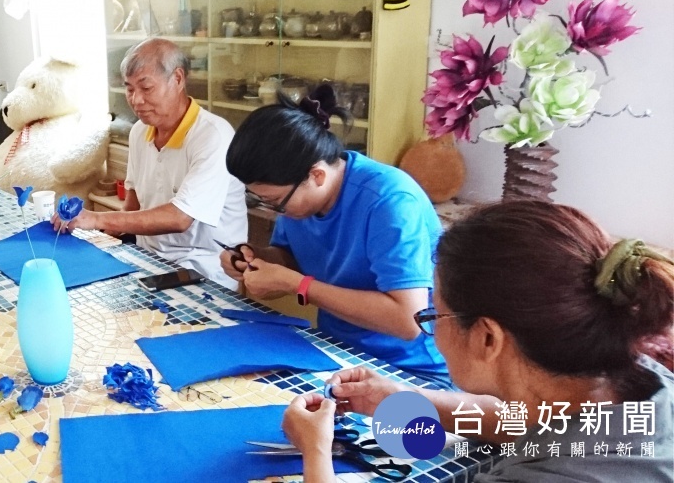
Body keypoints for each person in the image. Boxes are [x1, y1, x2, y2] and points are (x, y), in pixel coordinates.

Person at [282, 201, 674, 482]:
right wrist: (408, 401)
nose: (431, 324)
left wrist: (316, 453)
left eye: (436, 314)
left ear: (488, 337)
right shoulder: (635, 381)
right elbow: (533, 423)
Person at [222, 88, 449, 385]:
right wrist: (257, 260)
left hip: (410, 369)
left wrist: (297, 285)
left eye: (276, 201)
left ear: (316, 175)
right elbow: (291, 259)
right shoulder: (300, 201)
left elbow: (408, 320)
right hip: (339, 352)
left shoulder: (389, 201)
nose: (275, 209)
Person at [54, 38, 247, 288]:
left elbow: (180, 218)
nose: (136, 100)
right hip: (150, 260)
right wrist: (87, 233)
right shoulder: (139, 132)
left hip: (204, 268)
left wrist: (97, 219)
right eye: (130, 89)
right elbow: (132, 208)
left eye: (146, 88)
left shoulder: (213, 136)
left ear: (177, 79)